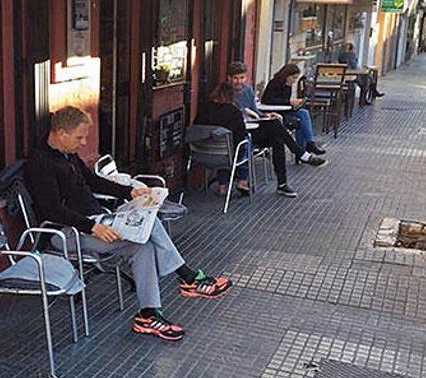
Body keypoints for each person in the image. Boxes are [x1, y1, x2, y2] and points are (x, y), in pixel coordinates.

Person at [25, 106, 232, 341]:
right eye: (79, 137)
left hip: (94, 221)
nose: (83, 143)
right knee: (150, 225)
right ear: (61, 133)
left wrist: (130, 192)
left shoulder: (67, 153)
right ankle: (187, 276)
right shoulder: (40, 163)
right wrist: (93, 227)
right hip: (66, 232)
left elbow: (92, 181)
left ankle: (149, 314)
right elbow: (53, 210)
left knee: (144, 244)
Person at [196, 81, 321, 198]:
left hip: (202, 153)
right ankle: (247, 181)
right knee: (263, 136)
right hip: (231, 154)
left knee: (275, 135)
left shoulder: (202, 110)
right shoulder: (232, 112)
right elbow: (241, 135)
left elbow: (198, 128)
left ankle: (224, 186)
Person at [227, 63, 328, 188]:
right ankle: (301, 154)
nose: (239, 81)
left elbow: (256, 111)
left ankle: (282, 183)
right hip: (241, 132)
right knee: (277, 130)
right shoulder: (224, 92)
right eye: (236, 78)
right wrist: (244, 112)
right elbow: (229, 113)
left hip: (254, 127)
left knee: (278, 135)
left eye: (242, 78)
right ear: (229, 78)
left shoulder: (248, 90)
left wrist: (266, 115)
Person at [261, 63, 326, 156]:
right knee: (301, 120)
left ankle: (308, 145)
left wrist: (295, 105)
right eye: (293, 78)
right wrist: (289, 102)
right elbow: (267, 99)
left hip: (285, 110)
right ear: (286, 75)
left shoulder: (288, 85)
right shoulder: (274, 83)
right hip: (276, 112)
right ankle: (307, 147)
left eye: (296, 78)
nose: (294, 81)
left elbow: (285, 101)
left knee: (303, 114)